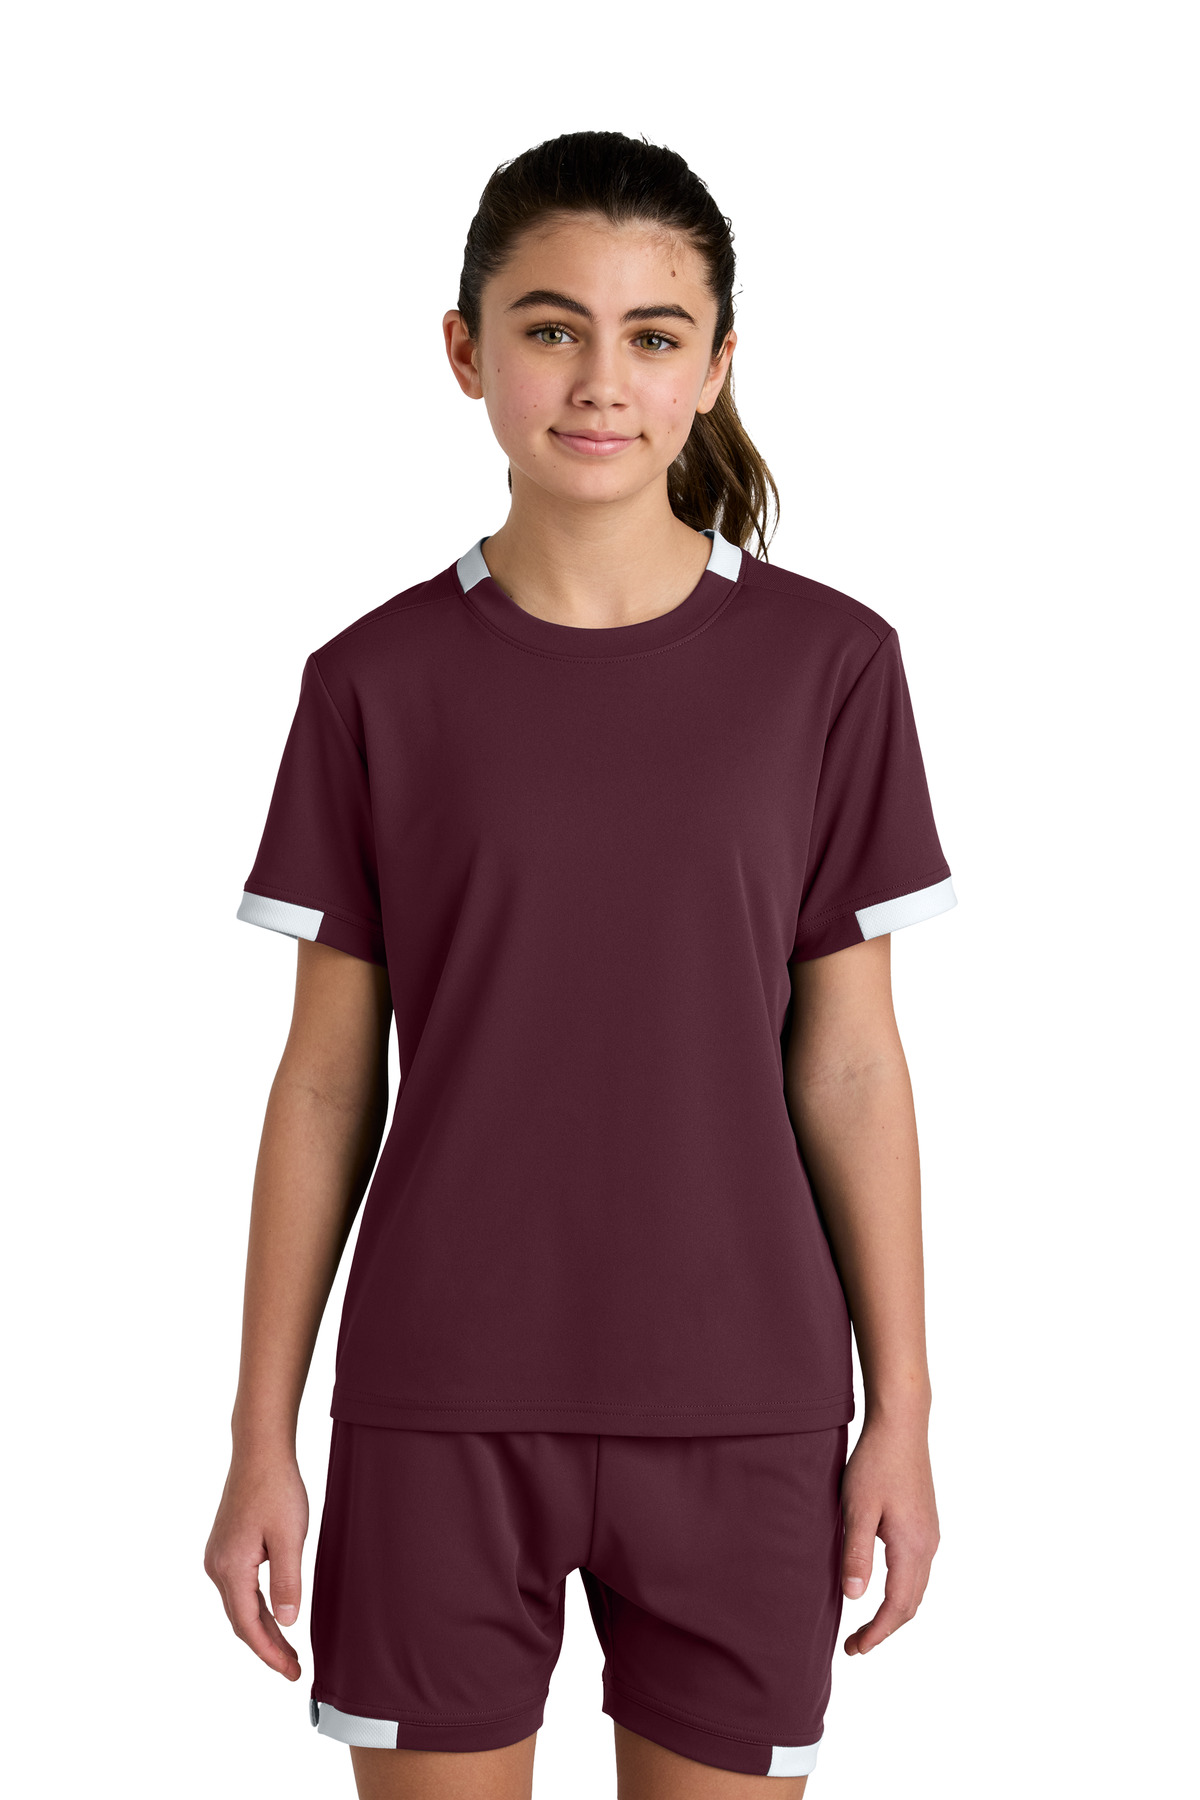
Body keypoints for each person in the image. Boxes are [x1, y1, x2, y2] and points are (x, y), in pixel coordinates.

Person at [205, 129, 957, 1800]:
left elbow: (850, 1062)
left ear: (716, 365)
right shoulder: (370, 684)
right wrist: (263, 1430)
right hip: (437, 1405)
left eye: (652, 333)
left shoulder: (831, 668)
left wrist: (903, 1409)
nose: (601, 379)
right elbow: (325, 1077)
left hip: (750, 1403)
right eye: (551, 328)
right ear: (465, 350)